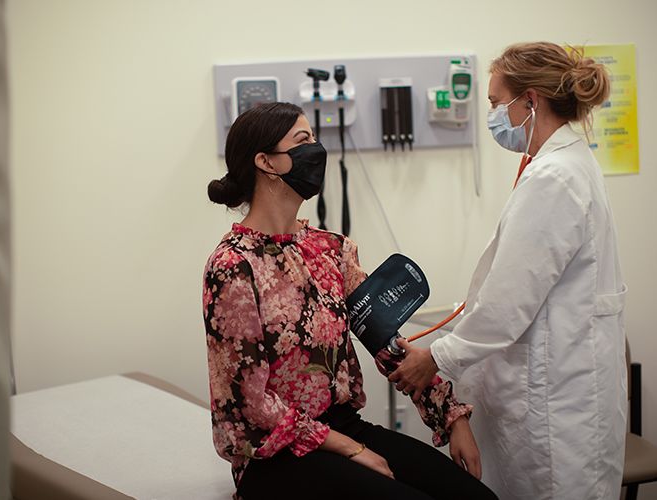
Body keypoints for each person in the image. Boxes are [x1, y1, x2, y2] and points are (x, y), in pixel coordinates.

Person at [202, 102, 498, 500]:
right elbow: (249, 403)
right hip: (276, 456)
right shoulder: (233, 266)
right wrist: (351, 449)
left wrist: (452, 416)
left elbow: (386, 343)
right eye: (302, 140)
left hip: (342, 425)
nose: (317, 149)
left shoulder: (332, 251)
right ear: (266, 162)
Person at [388, 42, 627, 500]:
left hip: (556, 406)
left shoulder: (555, 178)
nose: (493, 114)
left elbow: (507, 303)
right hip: (565, 388)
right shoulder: (567, 163)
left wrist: (435, 358)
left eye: (498, 103)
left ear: (531, 101)